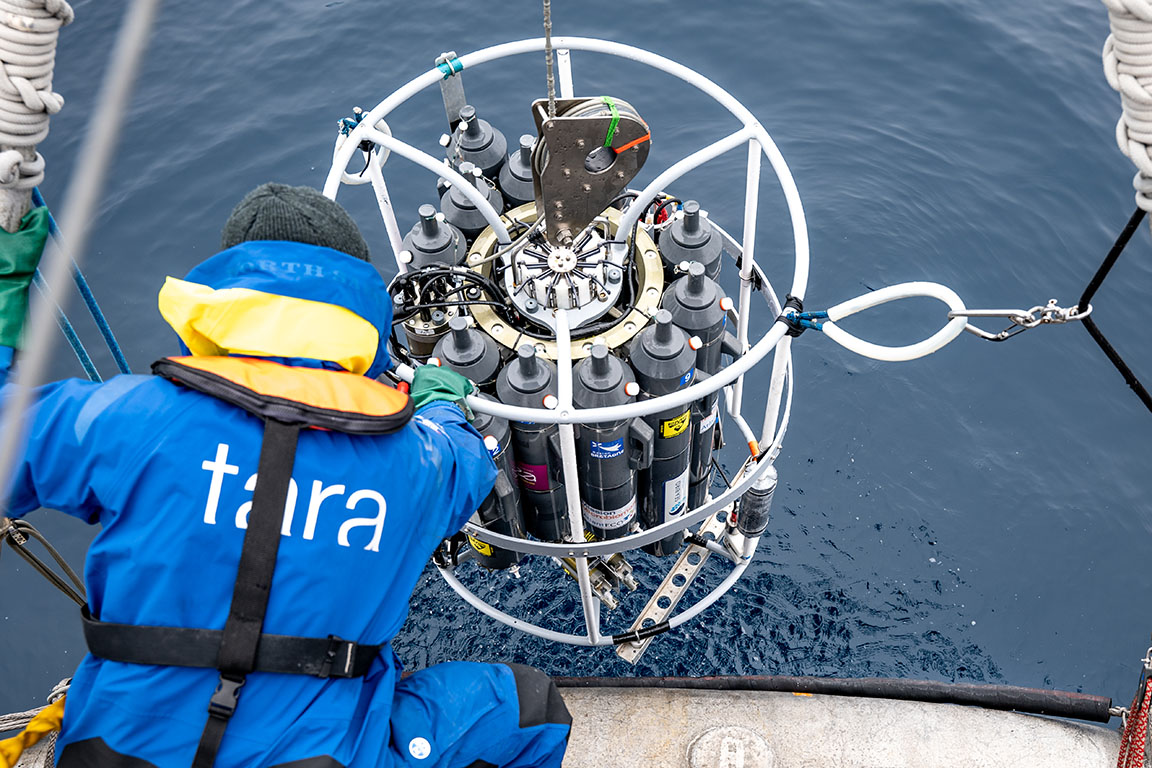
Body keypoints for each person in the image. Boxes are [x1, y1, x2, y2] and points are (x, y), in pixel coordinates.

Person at [0, 184, 571, 768]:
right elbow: (466, 464)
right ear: (357, 305)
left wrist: (6, 268)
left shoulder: (129, 418)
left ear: (220, 295)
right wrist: (441, 405)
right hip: (315, 758)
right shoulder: (411, 461)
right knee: (528, 708)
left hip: (113, 754)